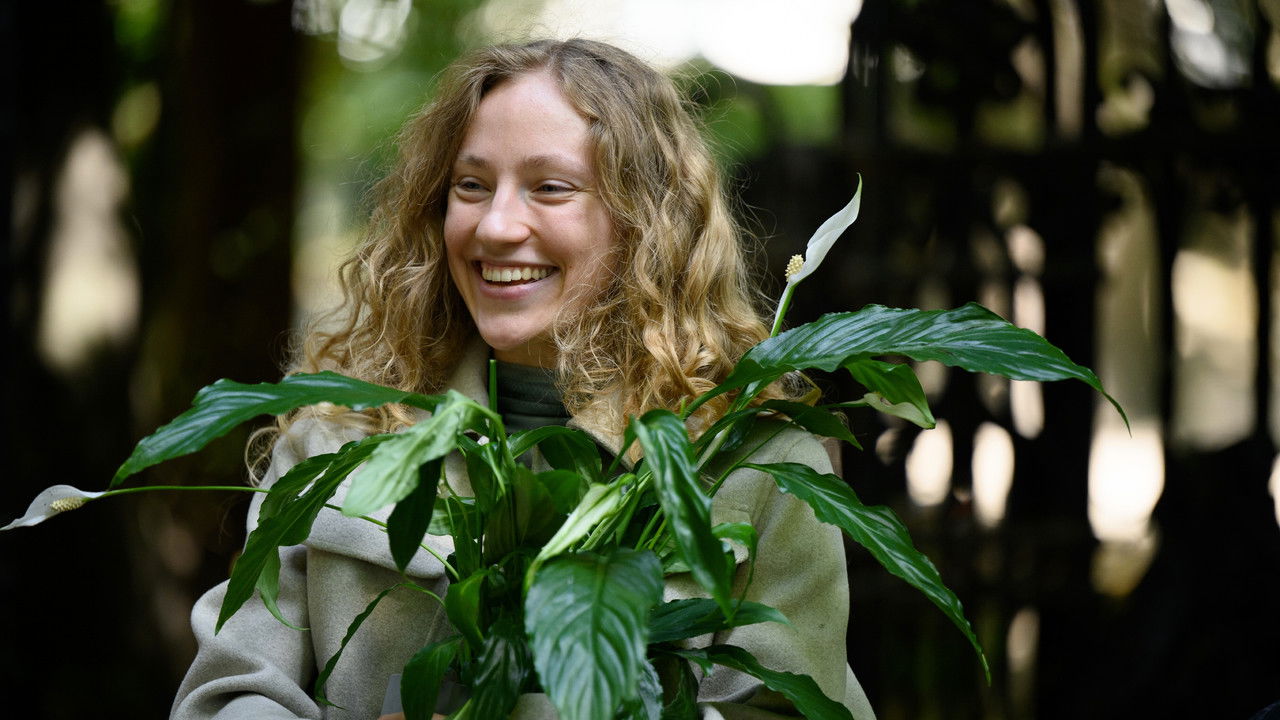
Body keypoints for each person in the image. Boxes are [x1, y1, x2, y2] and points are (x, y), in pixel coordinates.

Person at [171, 38, 876, 720]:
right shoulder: (336, 436)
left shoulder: (753, 467)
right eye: (471, 186)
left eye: (550, 188)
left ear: (645, 222)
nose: (496, 226)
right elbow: (226, 694)